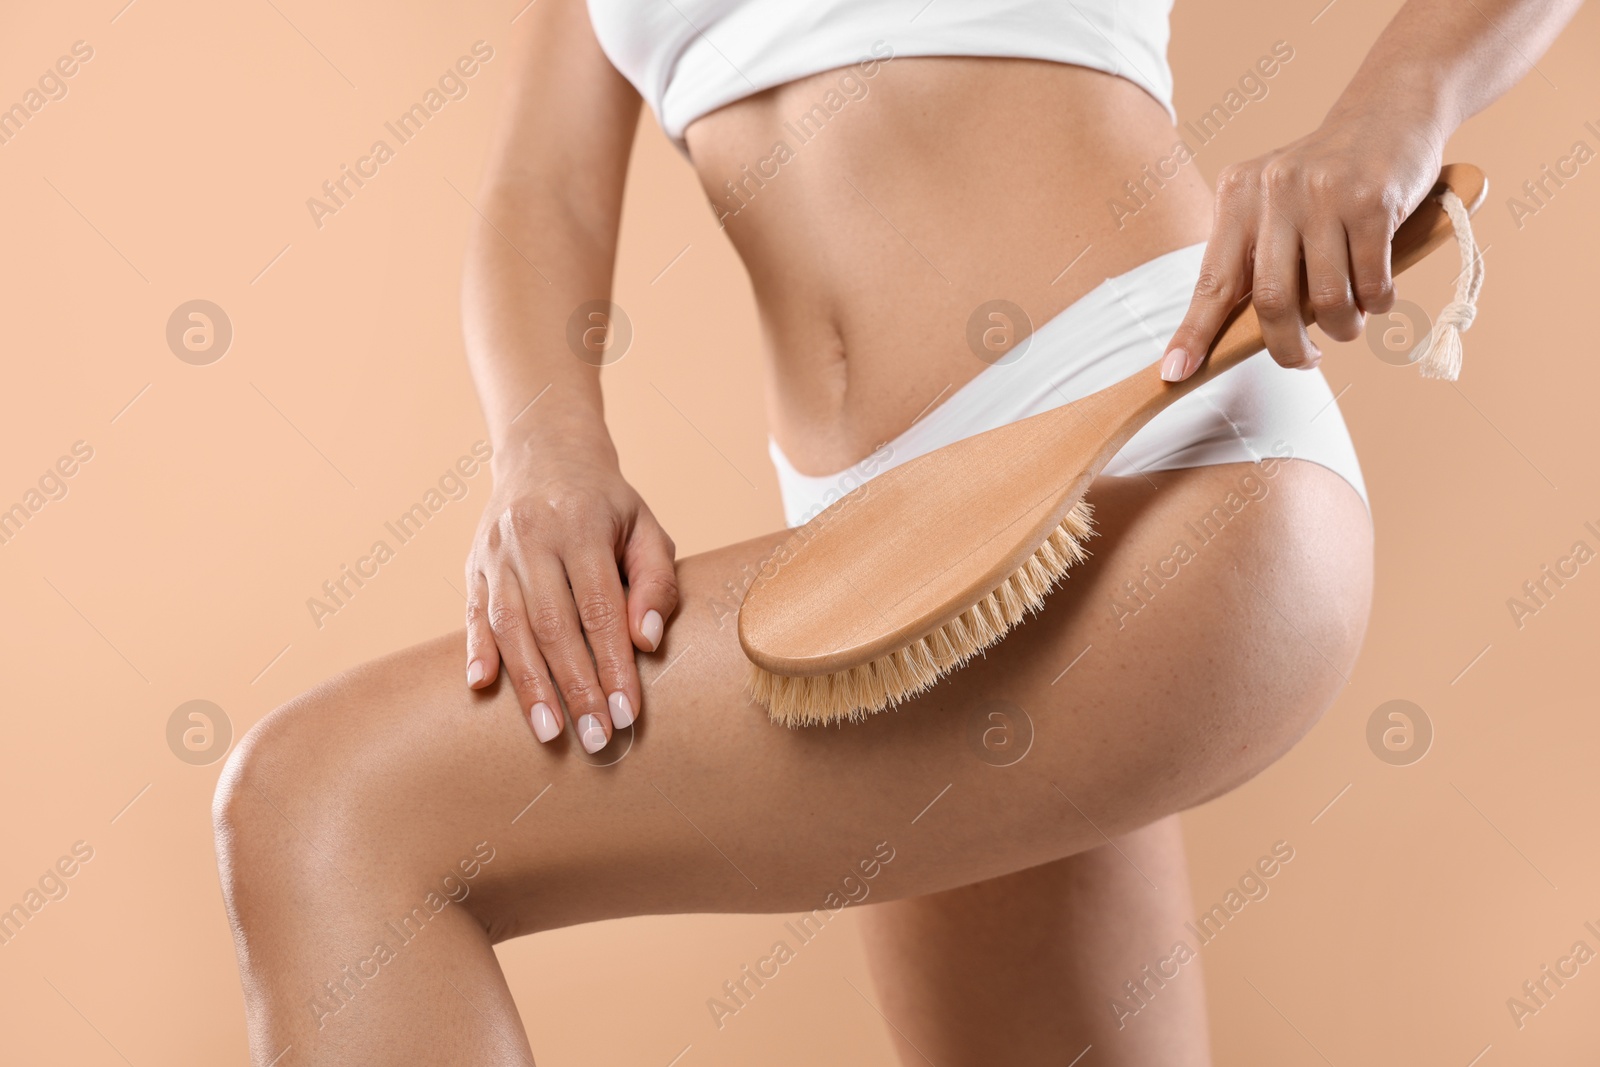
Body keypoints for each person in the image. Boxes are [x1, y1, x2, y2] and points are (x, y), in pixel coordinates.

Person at [213, 1, 1581, 1063]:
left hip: (1147, 456)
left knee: (327, 811)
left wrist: (1391, 115)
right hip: (889, 565)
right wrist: (543, 444)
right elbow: (541, 192)